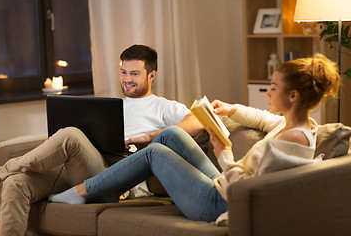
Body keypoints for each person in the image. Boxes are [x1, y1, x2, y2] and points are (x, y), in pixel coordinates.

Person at [49, 53, 339, 225]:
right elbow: (262, 119)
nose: (268, 93)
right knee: (173, 134)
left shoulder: (291, 141)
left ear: (293, 95)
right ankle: (109, 189)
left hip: (223, 203)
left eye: (273, 87)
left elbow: (251, 191)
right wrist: (229, 109)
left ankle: (82, 192)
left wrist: (223, 152)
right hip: (226, 190)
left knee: (155, 153)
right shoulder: (301, 125)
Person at [0, 44, 203, 236]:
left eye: (135, 74)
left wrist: (149, 137)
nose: (127, 79)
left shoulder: (163, 106)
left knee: (71, 135)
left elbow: (199, 121)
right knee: (16, 183)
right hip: (82, 167)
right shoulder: (110, 106)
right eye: (123, 72)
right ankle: (6, 175)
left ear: (152, 75)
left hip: (117, 177)